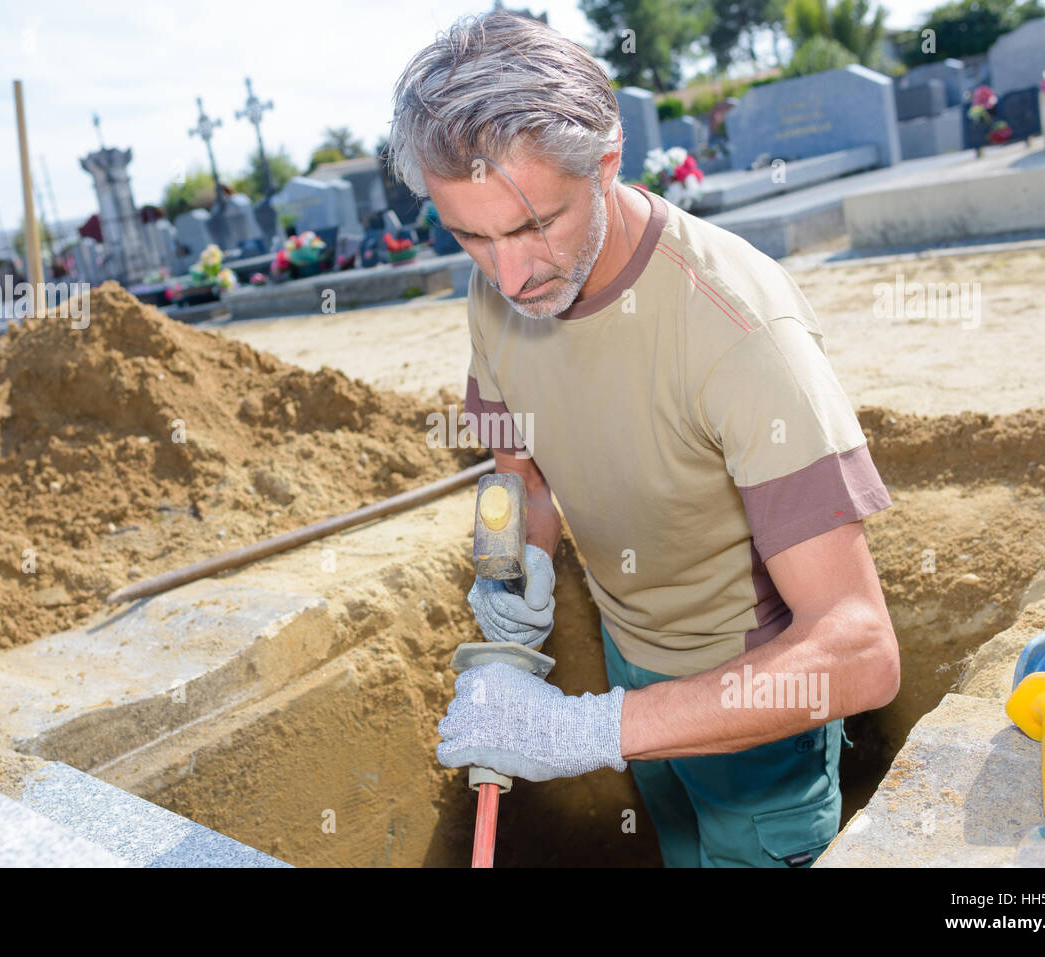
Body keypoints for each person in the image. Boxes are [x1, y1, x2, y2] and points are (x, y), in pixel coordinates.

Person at [385, 10, 901, 867]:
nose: (507, 274)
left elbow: (859, 648)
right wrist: (509, 570)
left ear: (609, 158)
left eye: (531, 226)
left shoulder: (737, 329)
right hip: (631, 662)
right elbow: (519, 465)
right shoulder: (499, 292)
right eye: (470, 236)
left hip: (754, 715)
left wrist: (588, 729)